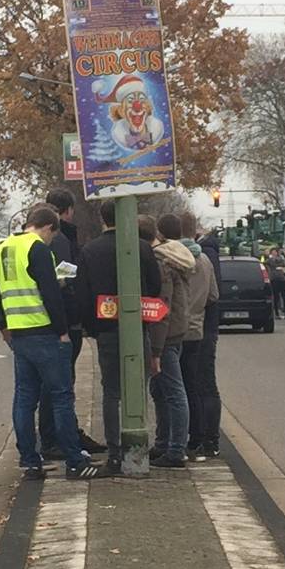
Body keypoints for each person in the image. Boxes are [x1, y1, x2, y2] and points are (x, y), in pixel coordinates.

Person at [0, 206, 99, 480]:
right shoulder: (38, 249)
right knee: (61, 396)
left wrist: (4, 327)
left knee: (24, 398)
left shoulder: (3, 249)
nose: (52, 241)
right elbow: (50, 293)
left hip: (20, 334)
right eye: (52, 235)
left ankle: (30, 461)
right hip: (44, 331)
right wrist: (62, 330)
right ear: (48, 227)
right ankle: (75, 461)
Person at [75, 202, 167, 471]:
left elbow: (82, 293)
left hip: (106, 330)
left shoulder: (90, 250)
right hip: (138, 327)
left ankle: (115, 451)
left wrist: (92, 327)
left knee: (111, 391)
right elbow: (155, 286)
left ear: (102, 219)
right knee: (137, 387)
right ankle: (138, 443)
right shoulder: (141, 248)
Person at [38, 189, 104, 461]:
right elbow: (65, 278)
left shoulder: (35, 240)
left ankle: (63, 434)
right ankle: (58, 438)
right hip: (63, 322)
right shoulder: (61, 239)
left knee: (51, 385)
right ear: (67, 211)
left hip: (43, 322)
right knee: (59, 385)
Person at [151, 212, 213, 468]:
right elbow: (213, 295)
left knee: (171, 391)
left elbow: (163, 300)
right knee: (193, 387)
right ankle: (199, 439)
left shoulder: (164, 260)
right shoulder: (202, 260)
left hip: (170, 331)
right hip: (194, 329)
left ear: (160, 234)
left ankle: (172, 445)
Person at [185, 230, 225, 460]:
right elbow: (214, 295)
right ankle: (211, 440)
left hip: (183, 329)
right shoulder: (208, 259)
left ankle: (195, 437)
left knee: (188, 385)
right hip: (205, 326)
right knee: (206, 384)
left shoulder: (173, 256)